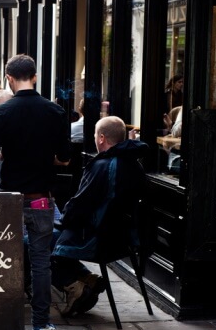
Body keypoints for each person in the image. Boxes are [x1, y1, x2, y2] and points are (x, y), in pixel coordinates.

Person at [0, 54, 71, 330]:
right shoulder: (54, 112)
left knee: (2, 258)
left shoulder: (2, 114)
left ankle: (1, 320)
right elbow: (65, 156)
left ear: (9, 78)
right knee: (40, 261)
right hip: (40, 198)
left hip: (8, 199)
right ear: (35, 76)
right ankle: (40, 324)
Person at [51, 116, 148, 316]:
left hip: (98, 238)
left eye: (95, 134)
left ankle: (74, 286)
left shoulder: (103, 166)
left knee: (34, 243)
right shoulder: (134, 163)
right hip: (123, 238)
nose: (95, 138)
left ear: (101, 138)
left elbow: (79, 205)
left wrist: (60, 221)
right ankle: (88, 279)